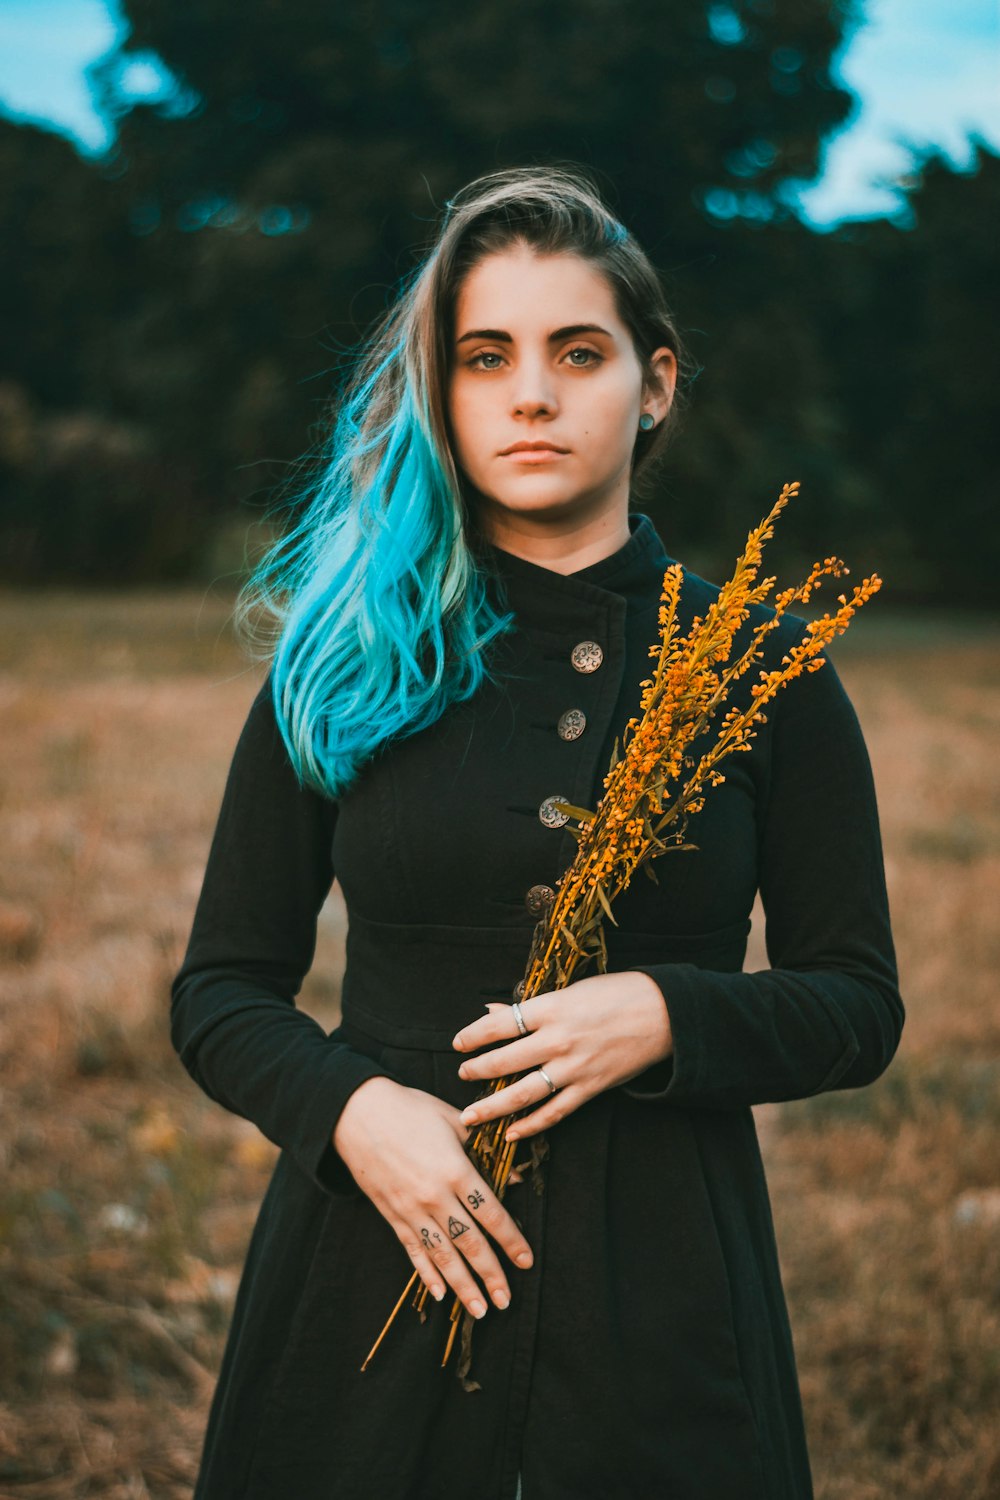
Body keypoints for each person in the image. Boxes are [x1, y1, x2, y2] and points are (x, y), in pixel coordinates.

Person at [170, 165, 904, 1500]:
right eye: (484, 356)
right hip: (365, 1277)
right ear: (442, 393)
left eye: (580, 352)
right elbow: (221, 992)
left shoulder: (764, 670)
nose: (531, 395)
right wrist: (352, 1112)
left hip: (666, 1298)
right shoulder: (345, 655)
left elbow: (857, 1006)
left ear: (658, 382)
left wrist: (670, 1017)